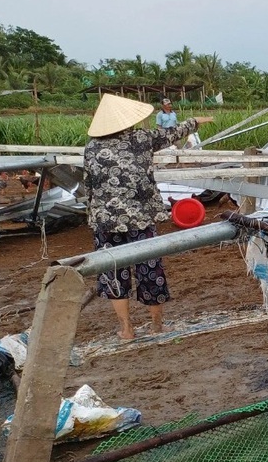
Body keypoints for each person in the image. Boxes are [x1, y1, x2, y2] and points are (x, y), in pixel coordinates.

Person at [83, 94, 212, 340]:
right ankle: (156, 326)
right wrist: (195, 121)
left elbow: (89, 184)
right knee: (150, 269)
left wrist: (96, 213)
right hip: (140, 218)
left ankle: (126, 329)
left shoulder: (91, 147)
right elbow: (172, 133)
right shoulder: (140, 139)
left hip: (105, 221)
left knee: (113, 273)